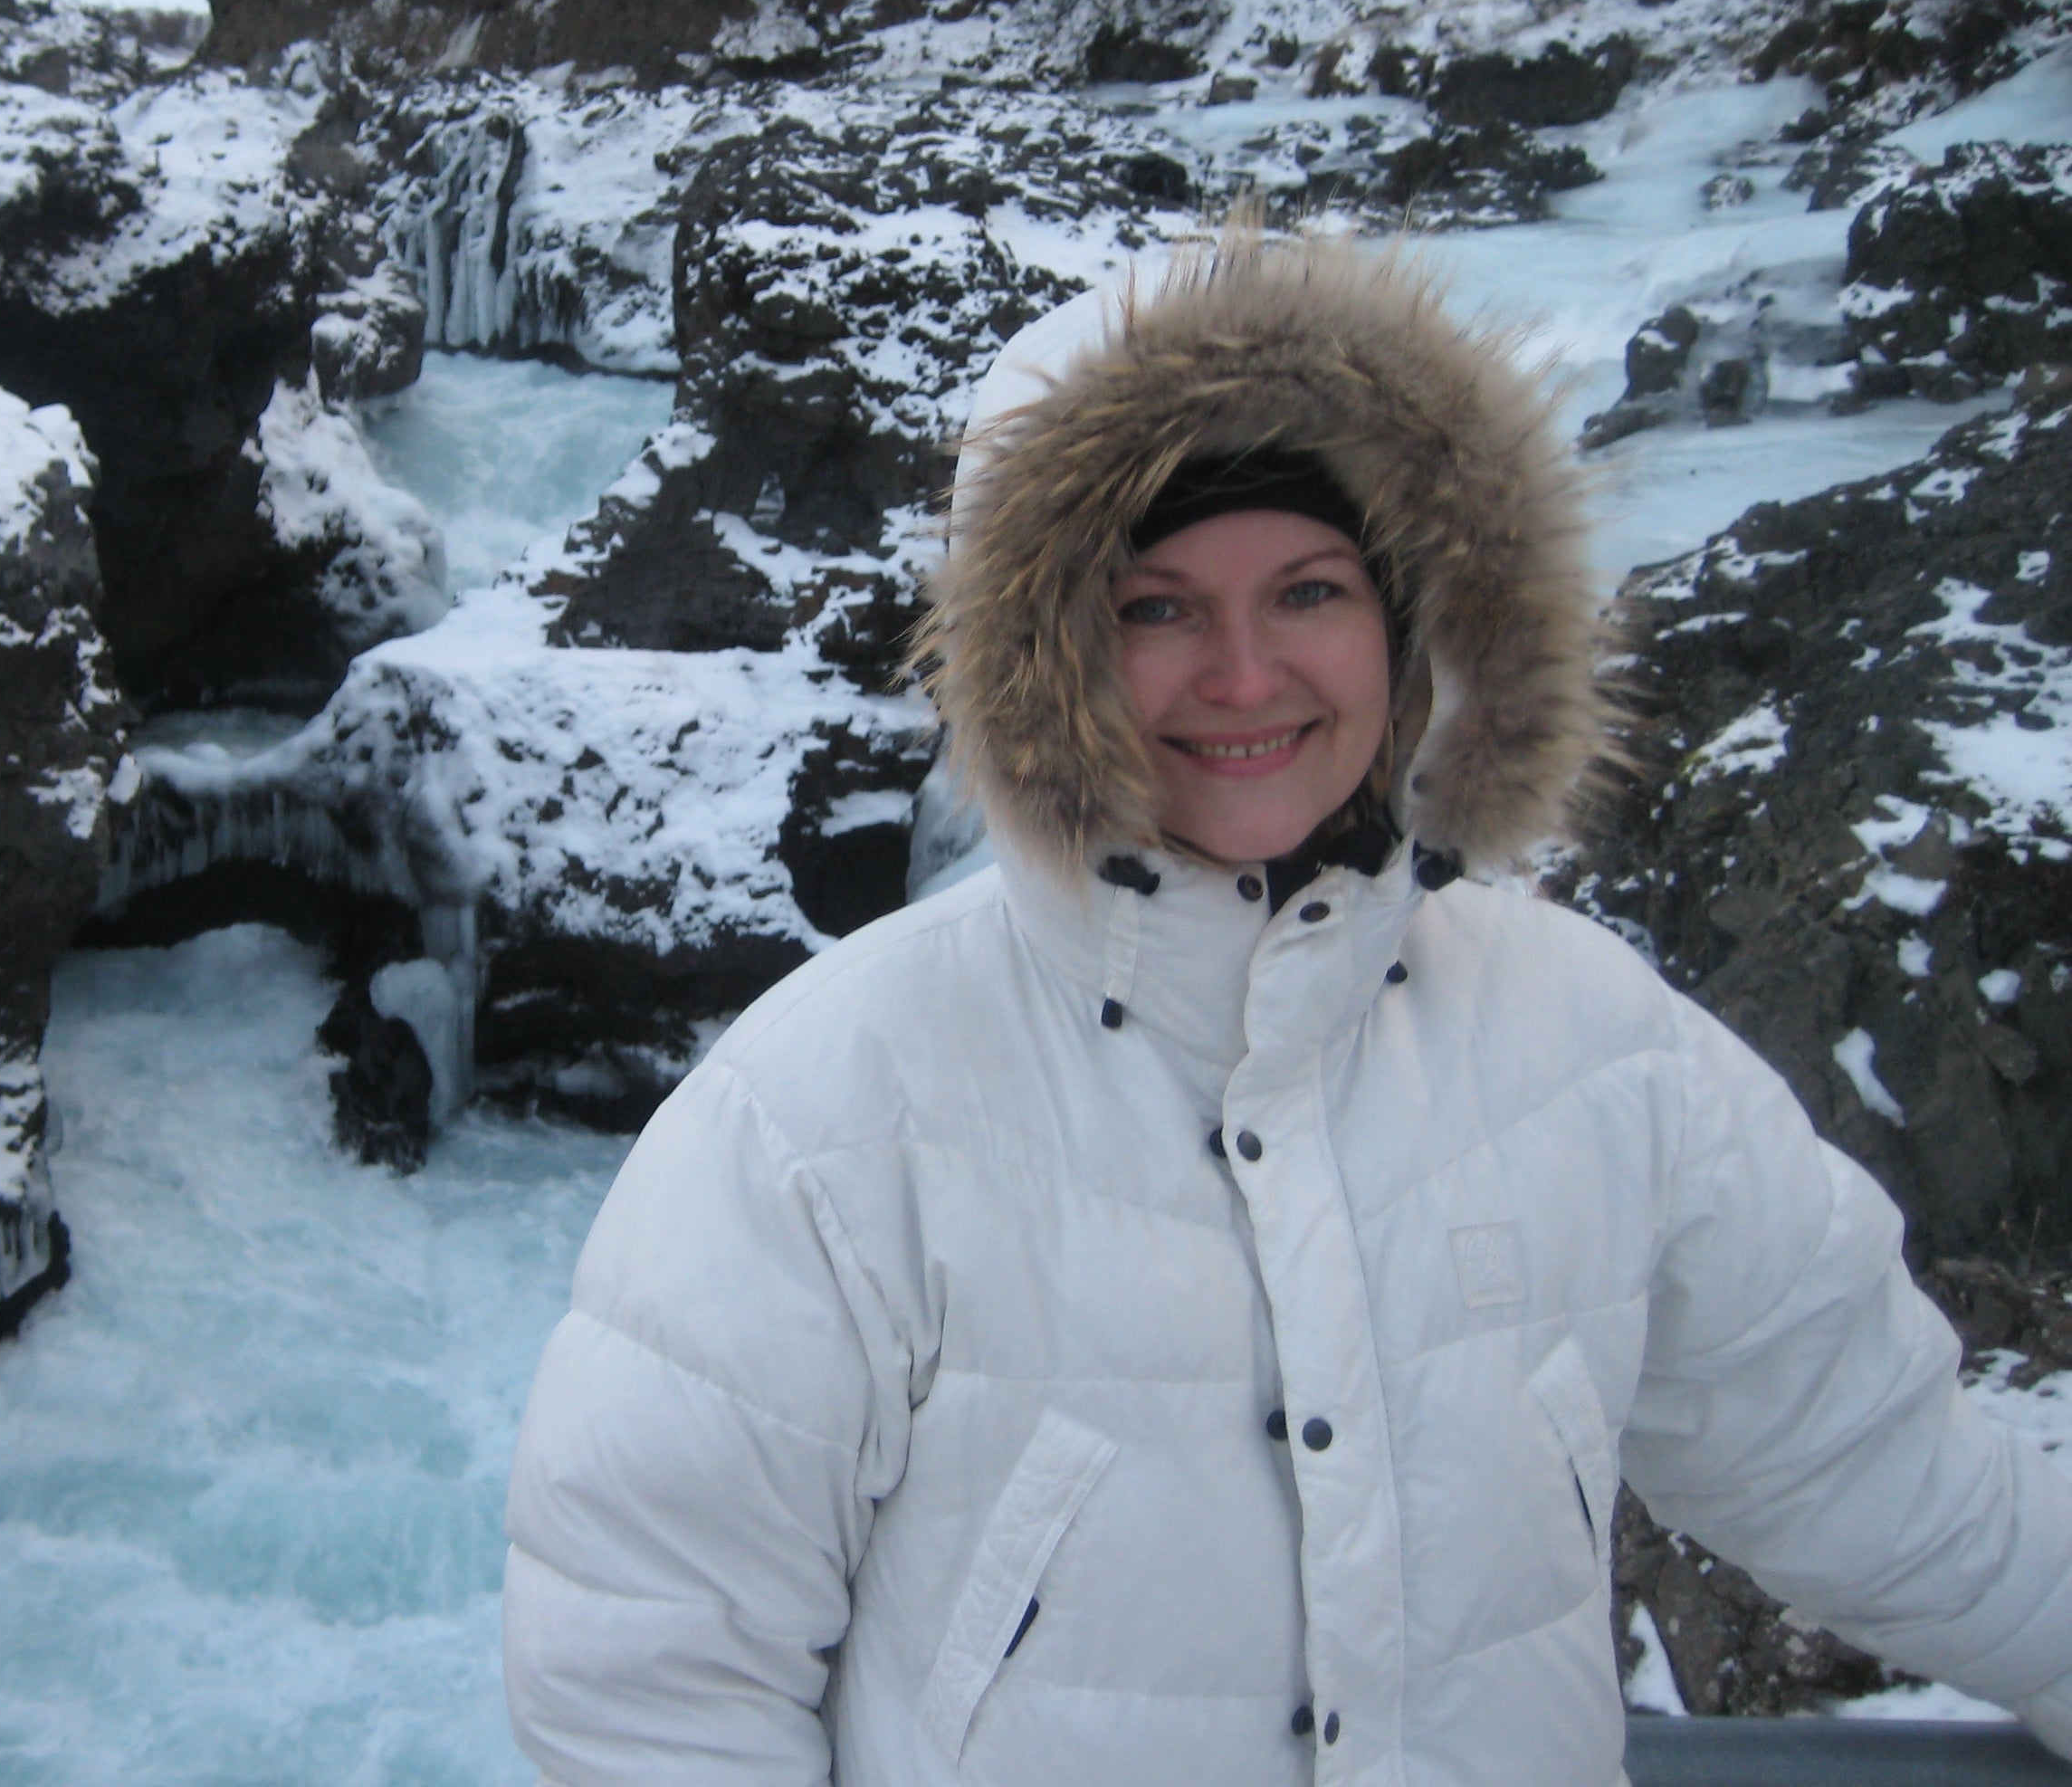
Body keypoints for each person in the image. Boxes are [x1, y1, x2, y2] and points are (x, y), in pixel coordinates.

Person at [501, 232, 2072, 1785]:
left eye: (1310, 589)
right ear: (1049, 657)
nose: (1245, 677)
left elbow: (1884, 1473)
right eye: (1157, 608)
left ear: (1419, 628)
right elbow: (646, 1673)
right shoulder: (832, 1102)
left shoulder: (1598, 1052)